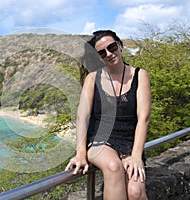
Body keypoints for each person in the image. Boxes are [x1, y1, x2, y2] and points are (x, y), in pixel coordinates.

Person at [65, 30, 151, 200]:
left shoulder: (140, 75)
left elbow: (143, 118)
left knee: (135, 192)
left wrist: (135, 155)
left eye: (112, 47)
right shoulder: (92, 78)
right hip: (100, 139)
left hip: (128, 142)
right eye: (102, 53)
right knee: (113, 167)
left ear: (120, 46)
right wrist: (81, 153)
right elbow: (82, 117)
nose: (109, 54)